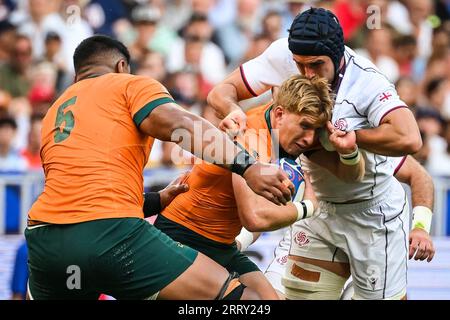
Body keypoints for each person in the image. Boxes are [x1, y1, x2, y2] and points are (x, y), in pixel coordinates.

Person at [24, 35, 295, 300]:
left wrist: (156, 200)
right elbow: (180, 125)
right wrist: (247, 166)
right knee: (246, 297)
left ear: (76, 77)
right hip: (111, 234)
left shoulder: (54, 114)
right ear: (121, 68)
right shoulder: (128, 85)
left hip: (45, 243)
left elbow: (76, 195)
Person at [207, 8, 424, 300]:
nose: (307, 75)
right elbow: (221, 91)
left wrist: (354, 138)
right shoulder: (285, 55)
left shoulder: (367, 83)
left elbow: (410, 137)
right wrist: (234, 111)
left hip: (373, 214)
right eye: (299, 65)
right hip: (319, 206)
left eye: (317, 65)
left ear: (337, 55)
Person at [154, 75, 363, 299]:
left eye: (316, 130)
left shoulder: (286, 133)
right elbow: (255, 217)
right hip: (180, 240)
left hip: (221, 244)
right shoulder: (250, 137)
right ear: (280, 114)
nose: (310, 139)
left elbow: (351, 176)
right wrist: (308, 207)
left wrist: (350, 153)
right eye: (305, 126)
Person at [260, 155, 436, 300]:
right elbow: (257, 213)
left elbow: (418, 173)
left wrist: (420, 226)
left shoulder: (360, 127)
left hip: (374, 225)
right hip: (317, 218)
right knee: (267, 297)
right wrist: (237, 241)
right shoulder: (270, 136)